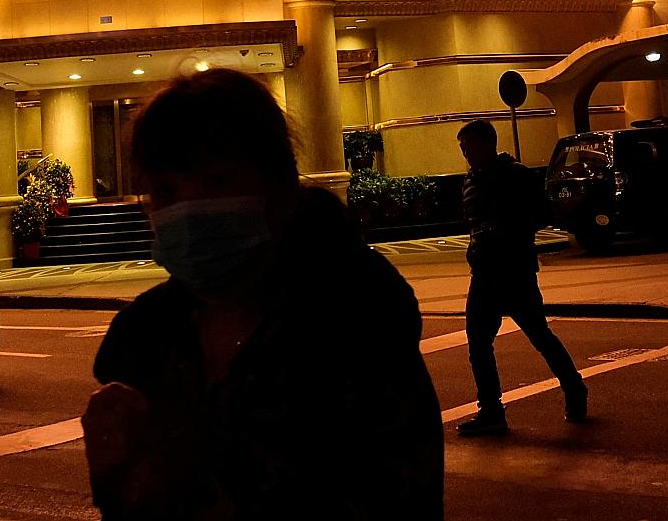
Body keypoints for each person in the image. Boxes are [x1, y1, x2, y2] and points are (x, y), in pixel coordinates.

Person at [83, 69, 443, 520]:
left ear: (278, 185)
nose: (188, 211)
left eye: (216, 181)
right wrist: (117, 469)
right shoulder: (148, 339)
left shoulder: (353, 322)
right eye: (165, 191)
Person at [455, 118, 587, 436]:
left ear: (487, 144)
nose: (466, 153)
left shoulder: (514, 175)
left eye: (469, 146)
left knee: (539, 336)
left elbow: (541, 213)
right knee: (478, 344)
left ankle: (574, 389)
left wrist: (507, 229)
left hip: (514, 271)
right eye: (462, 148)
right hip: (484, 272)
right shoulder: (472, 179)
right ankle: (491, 411)